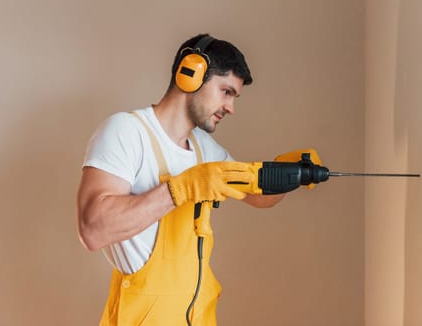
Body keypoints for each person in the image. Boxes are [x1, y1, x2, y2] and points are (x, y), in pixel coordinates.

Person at [76, 33, 285, 326]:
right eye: (226, 91)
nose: (231, 108)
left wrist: (293, 171)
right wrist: (182, 188)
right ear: (191, 73)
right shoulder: (127, 132)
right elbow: (93, 229)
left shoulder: (205, 150)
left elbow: (258, 195)